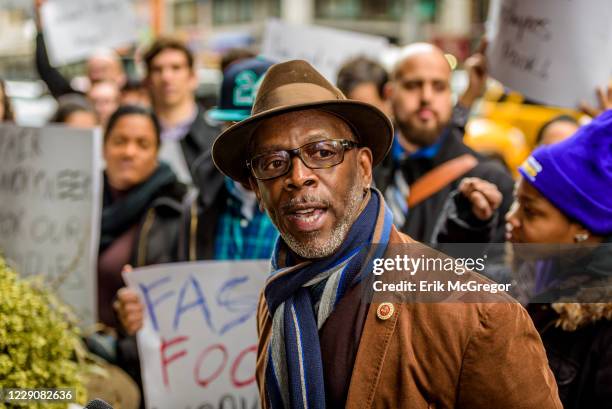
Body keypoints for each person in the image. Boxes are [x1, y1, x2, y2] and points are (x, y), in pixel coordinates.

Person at [208, 59, 561, 408]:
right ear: (256, 187)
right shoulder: (278, 297)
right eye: (273, 162)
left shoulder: (477, 315)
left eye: (322, 152)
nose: (298, 176)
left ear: (363, 169)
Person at [436, 111, 612, 409]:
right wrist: (466, 232)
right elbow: (445, 321)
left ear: (582, 229)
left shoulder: (602, 332)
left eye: (530, 211)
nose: (511, 217)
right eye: (517, 200)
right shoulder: (521, 281)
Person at [375, 43, 514, 243]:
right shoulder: (363, 168)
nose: (426, 97)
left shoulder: (489, 181)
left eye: (439, 87)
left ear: (450, 94)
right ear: (390, 94)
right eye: (413, 85)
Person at [98, 105, 187, 329]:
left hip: (134, 355)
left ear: (157, 152)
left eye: (142, 144)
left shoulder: (179, 207)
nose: (129, 152)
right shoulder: (79, 199)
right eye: (120, 141)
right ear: (103, 146)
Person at [143, 37, 221, 185]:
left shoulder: (218, 135)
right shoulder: (135, 135)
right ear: (147, 81)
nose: (166, 77)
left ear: (192, 77)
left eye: (176, 68)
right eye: (157, 70)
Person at [34, 0, 126, 99]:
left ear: (120, 76)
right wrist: (44, 25)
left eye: (104, 69)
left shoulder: (133, 102)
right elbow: (47, 70)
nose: (97, 75)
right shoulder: (75, 100)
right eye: (93, 70)